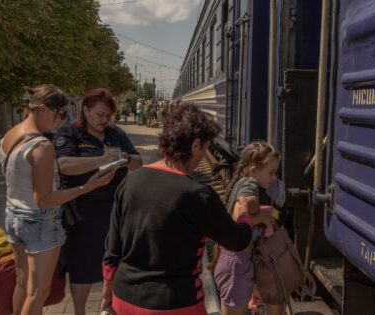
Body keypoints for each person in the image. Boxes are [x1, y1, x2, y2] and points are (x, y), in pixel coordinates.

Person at [101, 104, 272, 315]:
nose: (203, 156)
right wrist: (246, 215)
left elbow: (113, 248)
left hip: (124, 298)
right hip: (174, 304)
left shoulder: (130, 182)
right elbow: (238, 240)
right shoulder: (197, 194)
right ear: (195, 145)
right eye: (205, 148)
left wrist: (107, 290)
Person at [0, 84, 114, 315]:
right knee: (37, 292)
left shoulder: (10, 136)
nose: (63, 120)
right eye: (60, 114)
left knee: (22, 282)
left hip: (14, 216)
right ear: (42, 109)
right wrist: (87, 186)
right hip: (40, 222)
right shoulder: (42, 147)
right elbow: (44, 199)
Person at [54, 88, 143, 315]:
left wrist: (126, 158)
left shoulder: (116, 133)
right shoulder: (70, 132)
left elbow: (138, 162)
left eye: (108, 116)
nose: (105, 120)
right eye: (100, 115)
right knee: (82, 267)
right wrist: (101, 160)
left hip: (116, 210)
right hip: (83, 212)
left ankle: (110, 308)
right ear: (86, 110)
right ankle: (80, 312)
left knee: (117, 263)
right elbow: (64, 164)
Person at [214, 141, 283, 315]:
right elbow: (239, 218)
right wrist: (263, 217)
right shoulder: (249, 185)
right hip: (236, 264)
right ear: (254, 170)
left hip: (236, 262)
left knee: (274, 297)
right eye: (271, 172)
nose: (274, 177)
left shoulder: (243, 181)